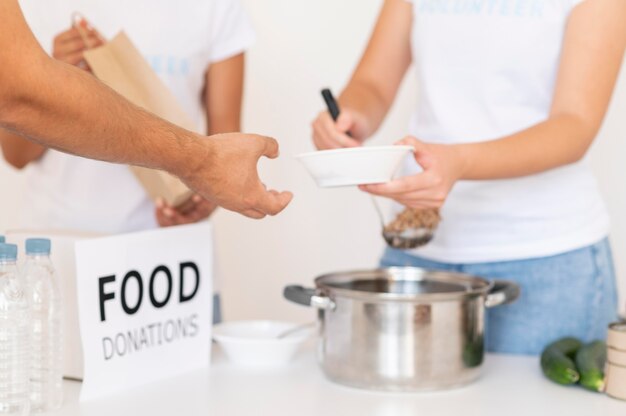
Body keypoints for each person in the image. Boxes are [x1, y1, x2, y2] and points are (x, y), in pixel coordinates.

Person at [312, 0, 626, 354]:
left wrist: (460, 162)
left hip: (547, 260)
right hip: (420, 248)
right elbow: (373, 83)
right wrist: (351, 116)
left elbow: (574, 126)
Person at [0, 0, 292, 219]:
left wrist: (201, 205)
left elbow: (225, 150)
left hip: (173, 263)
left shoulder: (216, 7)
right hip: (65, 247)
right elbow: (15, 152)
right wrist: (51, 79)